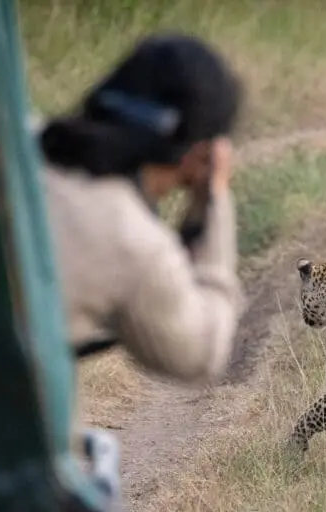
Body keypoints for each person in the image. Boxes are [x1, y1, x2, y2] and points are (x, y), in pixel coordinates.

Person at [38, 33, 245, 384]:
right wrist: (214, 202)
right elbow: (201, 357)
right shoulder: (132, 242)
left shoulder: (6, 139)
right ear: (202, 155)